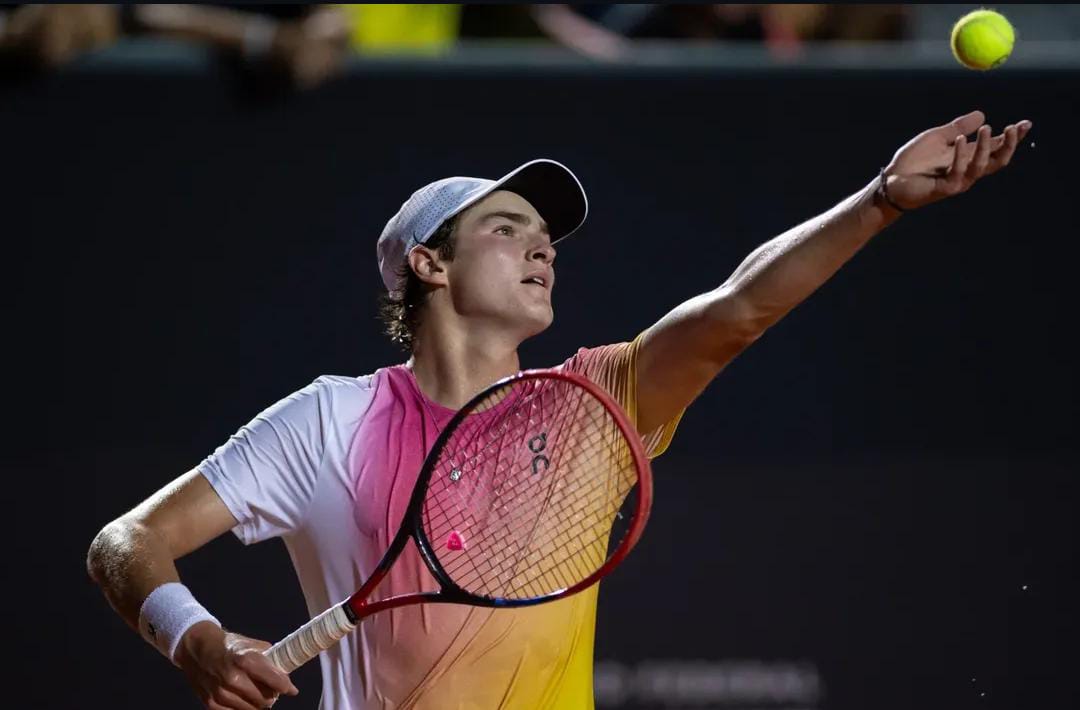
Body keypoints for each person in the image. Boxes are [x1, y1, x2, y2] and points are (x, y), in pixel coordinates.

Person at [87, 110, 1032, 710]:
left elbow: (740, 308)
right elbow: (126, 544)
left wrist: (878, 202)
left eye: (548, 239)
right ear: (430, 264)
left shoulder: (595, 398)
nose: (543, 250)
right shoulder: (324, 424)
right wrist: (193, 637)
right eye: (508, 230)